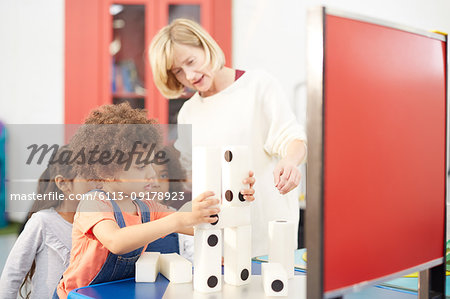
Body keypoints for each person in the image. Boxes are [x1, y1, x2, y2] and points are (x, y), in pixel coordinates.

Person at [55, 103, 255, 298]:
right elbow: (116, 241)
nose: (152, 174)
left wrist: (235, 198)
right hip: (77, 296)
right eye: (142, 167)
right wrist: (177, 221)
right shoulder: (95, 203)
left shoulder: (146, 208)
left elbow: (198, 223)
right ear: (108, 172)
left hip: (114, 293)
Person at [149, 18, 307, 256]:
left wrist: (290, 162)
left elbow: (293, 139)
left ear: (205, 46)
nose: (190, 76)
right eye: (178, 71)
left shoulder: (257, 86)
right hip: (218, 239)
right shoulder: (188, 112)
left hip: (266, 234)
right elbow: (191, 177)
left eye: (191, 61)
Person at [0, 145, 98, 299]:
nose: (98, 184)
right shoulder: (42, 221)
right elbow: (12, 275)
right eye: (89, 177)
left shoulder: (100, 224)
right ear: (63, 183)